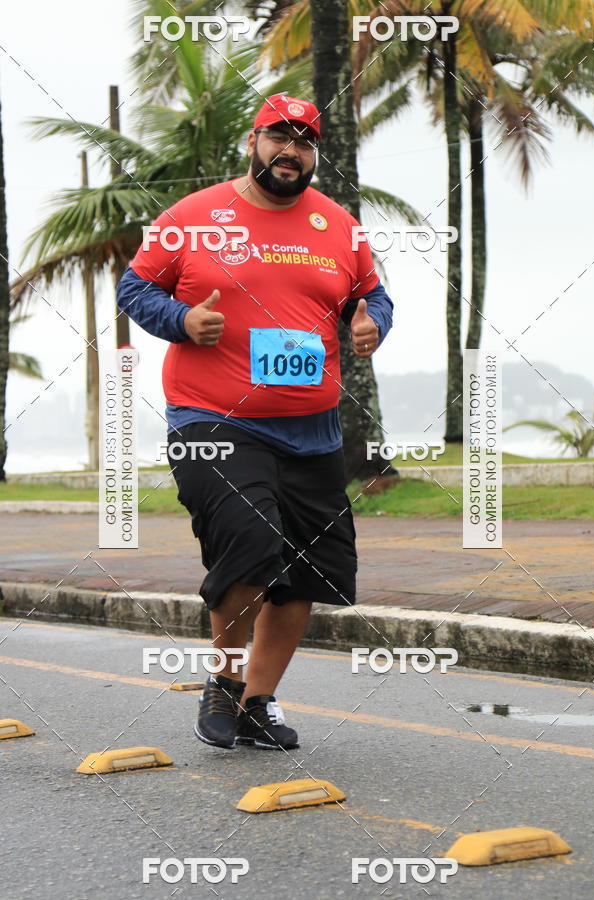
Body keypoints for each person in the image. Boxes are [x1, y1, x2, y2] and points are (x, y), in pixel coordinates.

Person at [117, 93, 394, 751]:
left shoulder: (338, 227)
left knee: (305, 571)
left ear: (313, 153)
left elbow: (373, 294)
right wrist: (181, 320)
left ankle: (255, 704)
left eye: (303, 141)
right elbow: (136, 290)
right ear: (254, 139)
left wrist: (370, 323)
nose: (290, 151)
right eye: (279, 137)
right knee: (249, 539)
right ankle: (225, 681)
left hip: (313, 429)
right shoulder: (195, 216)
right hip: (212, 418)